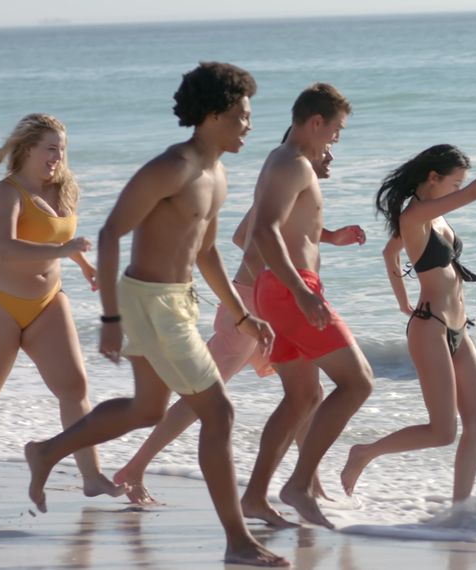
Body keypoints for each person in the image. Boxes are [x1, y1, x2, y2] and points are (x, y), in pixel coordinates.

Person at [23, 62, 287, 567]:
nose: (249, 126)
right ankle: (237, 541)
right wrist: (110, 320)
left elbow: (206, 253)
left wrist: (241, 315)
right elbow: (109, 234)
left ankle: (47, 452)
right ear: (212, 115)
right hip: (148, 303)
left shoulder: (218, 175)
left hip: (176, 299)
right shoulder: (173, 167)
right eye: (241, 116)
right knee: (220, 412)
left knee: (147, 409)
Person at [113, 133, 365, 511]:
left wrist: (328, 237)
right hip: (250, 306)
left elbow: (258, 234)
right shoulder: (283, 184)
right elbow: (245, 235)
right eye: (326, 147)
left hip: (267, 305)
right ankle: (133, 468)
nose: (330, 155)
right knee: (201, 395)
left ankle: (308, 484)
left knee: (303, 396)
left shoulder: (295, 191)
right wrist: (274, 284)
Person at [341, 127, 476, 505]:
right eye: (454, 183)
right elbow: (474, 195)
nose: (459, 190)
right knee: (442, 432)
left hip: (457, 328)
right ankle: (365, 452)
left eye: (460, 184)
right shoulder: (415, 215)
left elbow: (390, 254)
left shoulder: (432, 218)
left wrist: (401, 298)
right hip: (431, 329)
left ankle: (460, 509)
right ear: (433, 178)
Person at [0, 114, 122, 501]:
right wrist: (64, 251)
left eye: (62, 150)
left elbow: (61, 238)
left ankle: (92, 476)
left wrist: (84, 266)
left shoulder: (64, 189)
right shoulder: (7, 192)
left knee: (74, 386)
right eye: (50, 149)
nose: (57, 157)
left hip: (47, 302)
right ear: (28, 148)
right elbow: (5, 247)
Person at [241, 83, 374, 530]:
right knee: (358, 382)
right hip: (288, 289)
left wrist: (330, 238)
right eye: (336, 130)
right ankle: (298, 484)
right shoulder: (293, 163)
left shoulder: (289, 162)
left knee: (302, 397)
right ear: (316, 122)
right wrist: (299, 290)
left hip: (281, 287)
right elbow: (262, 231)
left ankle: (256, 497)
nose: (337, 138)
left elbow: (289, 229)